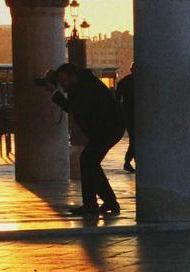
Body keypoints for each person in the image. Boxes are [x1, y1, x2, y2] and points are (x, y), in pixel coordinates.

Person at [38, 63, 125, 218]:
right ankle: (106, 202)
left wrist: (55, 94)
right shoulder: (82, 84)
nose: (62, 83)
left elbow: (73, 107)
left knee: (88, 161)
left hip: (108, 128)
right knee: (90, 163)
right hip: (107, 128)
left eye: (63, 79)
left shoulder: (85, 86)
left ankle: (93, 204)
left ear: (72, 76)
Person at [116, 63, 136, 172]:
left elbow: (117, 98)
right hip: (132, 114)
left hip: (128, 114)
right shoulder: (143, 82)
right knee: (135, 139)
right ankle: (128, 162)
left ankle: (128, 162)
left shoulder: (124, 81)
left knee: (134, 139)